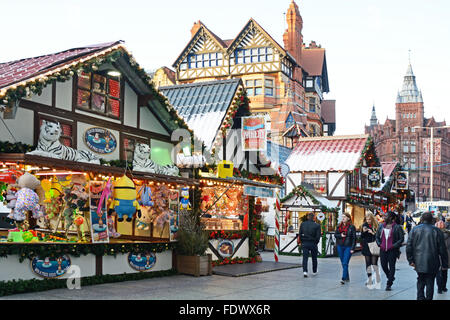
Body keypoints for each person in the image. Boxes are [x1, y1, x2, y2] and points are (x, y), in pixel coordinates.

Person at [406, 212, 448, 300]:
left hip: (419, 260)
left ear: (421, 219)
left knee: (420, 279)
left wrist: (410, 260)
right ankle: (428, 298)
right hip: (432, 261)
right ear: (431, 220)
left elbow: (409, 246)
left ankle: (420, 297)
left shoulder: (414, 230)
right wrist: (444, 263)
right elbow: (442, 249)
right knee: (430, 281)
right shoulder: (436, 231)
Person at [375, 211, 404, 291]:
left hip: (392, 250)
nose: (384, 217)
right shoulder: (381, 226)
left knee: (392, 266)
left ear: (391, 218)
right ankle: (390, 276)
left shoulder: (397, 227)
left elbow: (401, 239)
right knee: (383, 265)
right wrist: (379, 244)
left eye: (386, 216)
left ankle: (389, 283)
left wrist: (394, 246)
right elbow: (377, 236)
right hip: (383, 249)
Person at [335, 212, 356, 284]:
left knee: (345, 262)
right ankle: (347, 277)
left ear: (348, 218)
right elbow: (335, 235)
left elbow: (354, 238)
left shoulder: (351, 227)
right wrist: (340, 235)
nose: (343, 218)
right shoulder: (339, 226)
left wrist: (353, 248)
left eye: (344, 217)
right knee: (343, 263)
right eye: (342, 217)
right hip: (340, 246)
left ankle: (343, 278)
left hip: (348, 246)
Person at [361, 212, 381, 289]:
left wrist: (372, 232)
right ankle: (369, 279)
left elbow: (379, 236)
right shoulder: (364, 225)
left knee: (374, 263)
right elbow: (362, 236)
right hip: (366, 246)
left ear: (372, 219)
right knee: (368, 263)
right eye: (367, 219)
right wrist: (364, 231)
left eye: (369, 219)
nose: (368, 221)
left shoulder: (376, 225)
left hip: (374, 245)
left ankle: (377, 277)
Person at [298, 212, 321, 278]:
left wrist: (302, 241)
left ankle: (305, 271)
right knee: (314, 258)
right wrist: (315, 242)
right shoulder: (317, 225)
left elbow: (300, 234)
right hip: (313, 243)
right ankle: (314, 271)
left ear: (308, 217)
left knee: (305, 258)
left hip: (305, 242)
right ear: (314, 218)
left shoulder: (303, 224)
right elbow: (318, 237)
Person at [435, 215, 450, 294]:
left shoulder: (435, 235)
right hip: (447, 255)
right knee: (445, 271)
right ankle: (444, 287)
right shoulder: (448, 234)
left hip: (437, 255)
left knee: (438, 272)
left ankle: (439, 288)